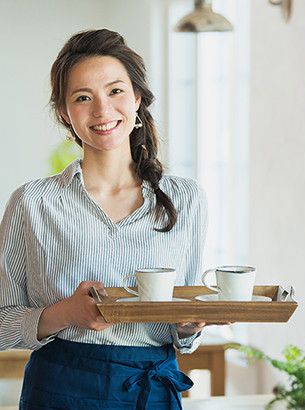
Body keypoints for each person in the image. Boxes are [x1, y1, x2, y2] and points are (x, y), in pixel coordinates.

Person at [0, 28, 217, 409]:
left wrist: (187, 326)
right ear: (65, 113)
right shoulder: (32, 203)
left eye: (115, 91)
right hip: (59, 390)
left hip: (151, 390)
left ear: (137, 98)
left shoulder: (187, 199)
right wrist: (64, 313)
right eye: (84, 97)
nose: (102, 110)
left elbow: (181, 321)